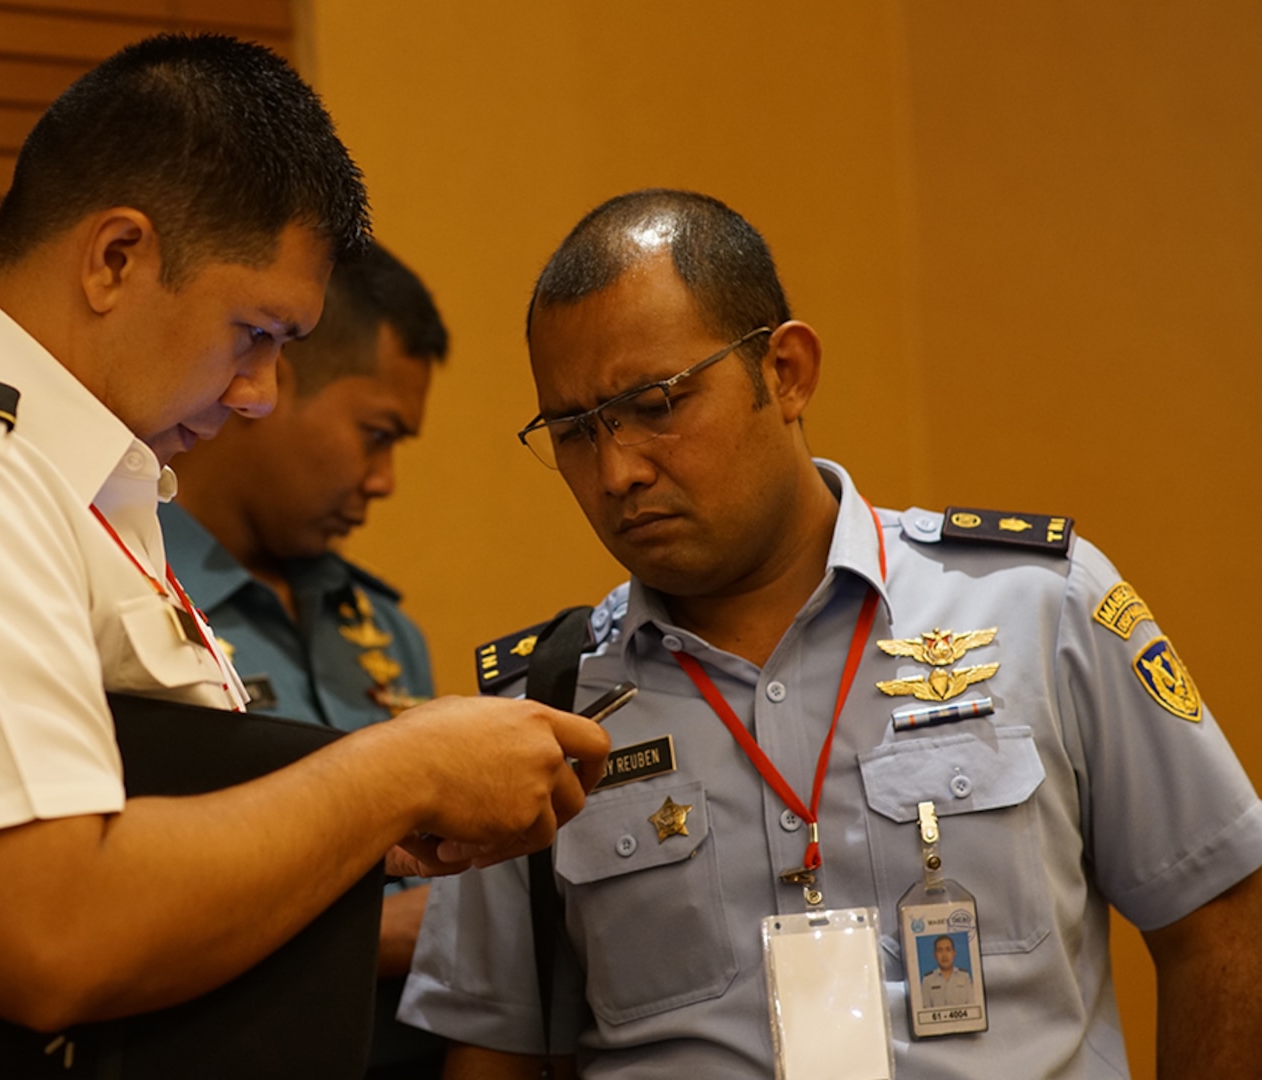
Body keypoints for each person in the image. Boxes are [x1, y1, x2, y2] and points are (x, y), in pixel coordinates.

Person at [0, 33, 608, 1039]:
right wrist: (398, 777)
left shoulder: (64, 476)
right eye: (255, 334)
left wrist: (377, 834)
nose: (261, 393)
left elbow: (141, 815)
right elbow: (44, 930)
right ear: (116, 258)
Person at [399, 189, 1262, 1078]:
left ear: (786, 373)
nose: (616, 470)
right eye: (576, 431)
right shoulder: (540, 709)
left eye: (656, 405)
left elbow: (1222, 923)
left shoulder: (1039, 606)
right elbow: (493, 1048)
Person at [160, 241, 450, 1076]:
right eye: (375, 434)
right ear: (273, 383)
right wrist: (381, 936)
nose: (386, 479)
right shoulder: (133, 608)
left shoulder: (381, 631)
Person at [921, 936, 973, 1009]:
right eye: (940, 950)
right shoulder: (927, 980)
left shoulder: (965, 977)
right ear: (935, 955)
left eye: (948, 950)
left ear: (954, 953)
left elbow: (971, 1005)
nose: (944, 955)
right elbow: (926, 1009)